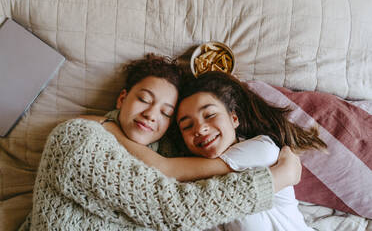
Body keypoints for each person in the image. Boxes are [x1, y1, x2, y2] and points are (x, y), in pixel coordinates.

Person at [25, 55, 302, 231]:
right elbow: (175, 209)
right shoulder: (80, 137)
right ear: (122, 99)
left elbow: (172, 173)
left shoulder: (167, 152)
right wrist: (276, 179)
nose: (150, 114)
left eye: (166, 113)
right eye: (144, 99)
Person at [100, 71, 327, 230]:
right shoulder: (198, 185)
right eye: (187, 126)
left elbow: (164, 167)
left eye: (209, 115)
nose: (200, 128)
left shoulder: (262, 149)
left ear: (234, 118)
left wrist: (110, 127)